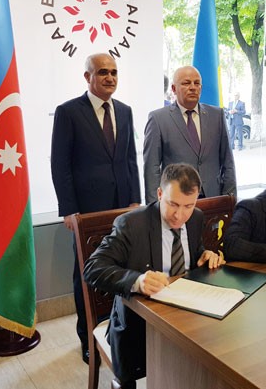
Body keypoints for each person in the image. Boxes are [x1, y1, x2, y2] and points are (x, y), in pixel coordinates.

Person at [85, 163, 224, 389]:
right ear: (160, 194)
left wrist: (205, 255)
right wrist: (137, 281)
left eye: (188, 206)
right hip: (139, 327)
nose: (180, 215)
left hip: (187, 317)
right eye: (173, 204)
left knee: (216, 361)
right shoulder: (131, 224)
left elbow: (193, 253)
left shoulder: (196, 218)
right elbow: (93, 268)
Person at [50, 52, 141, 364]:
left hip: (122, 210)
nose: (110, 77)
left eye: (114, 72)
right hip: (87, 212)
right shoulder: (68, 112)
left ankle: (119, 334)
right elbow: (60, 164)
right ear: (87, 77)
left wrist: (135, 200)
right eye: (103, 72)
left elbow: (130, 159)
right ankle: (88, 339)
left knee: (121, 269)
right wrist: (69, 210)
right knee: (86, 275)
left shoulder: (125, 111)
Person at [143, 65, 236, 203]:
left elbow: (228, 162)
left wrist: (230, 199)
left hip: (213, 198)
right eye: (186, 83)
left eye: (197, 83)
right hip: (176, 202)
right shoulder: (158, 119)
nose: (193, 87)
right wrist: (154, 206)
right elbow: (152, 168)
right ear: (174, 89)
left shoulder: (217, 116)